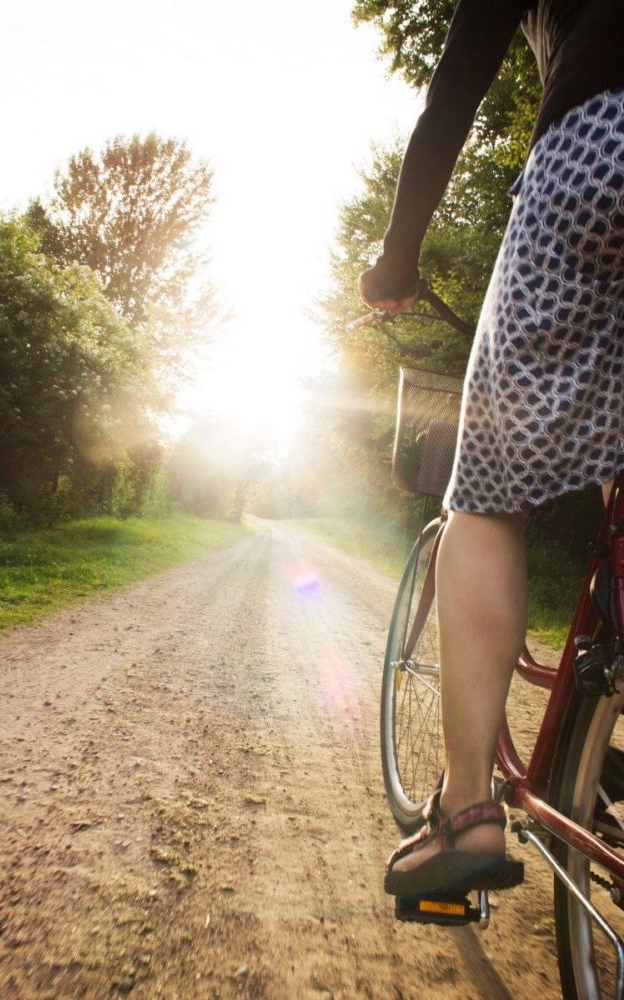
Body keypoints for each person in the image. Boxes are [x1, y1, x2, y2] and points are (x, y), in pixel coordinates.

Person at [359, 0, 624, 899]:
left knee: (485, 493)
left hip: (599, 147)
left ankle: (467, 811)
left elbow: (452, 96)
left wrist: (396, 258)